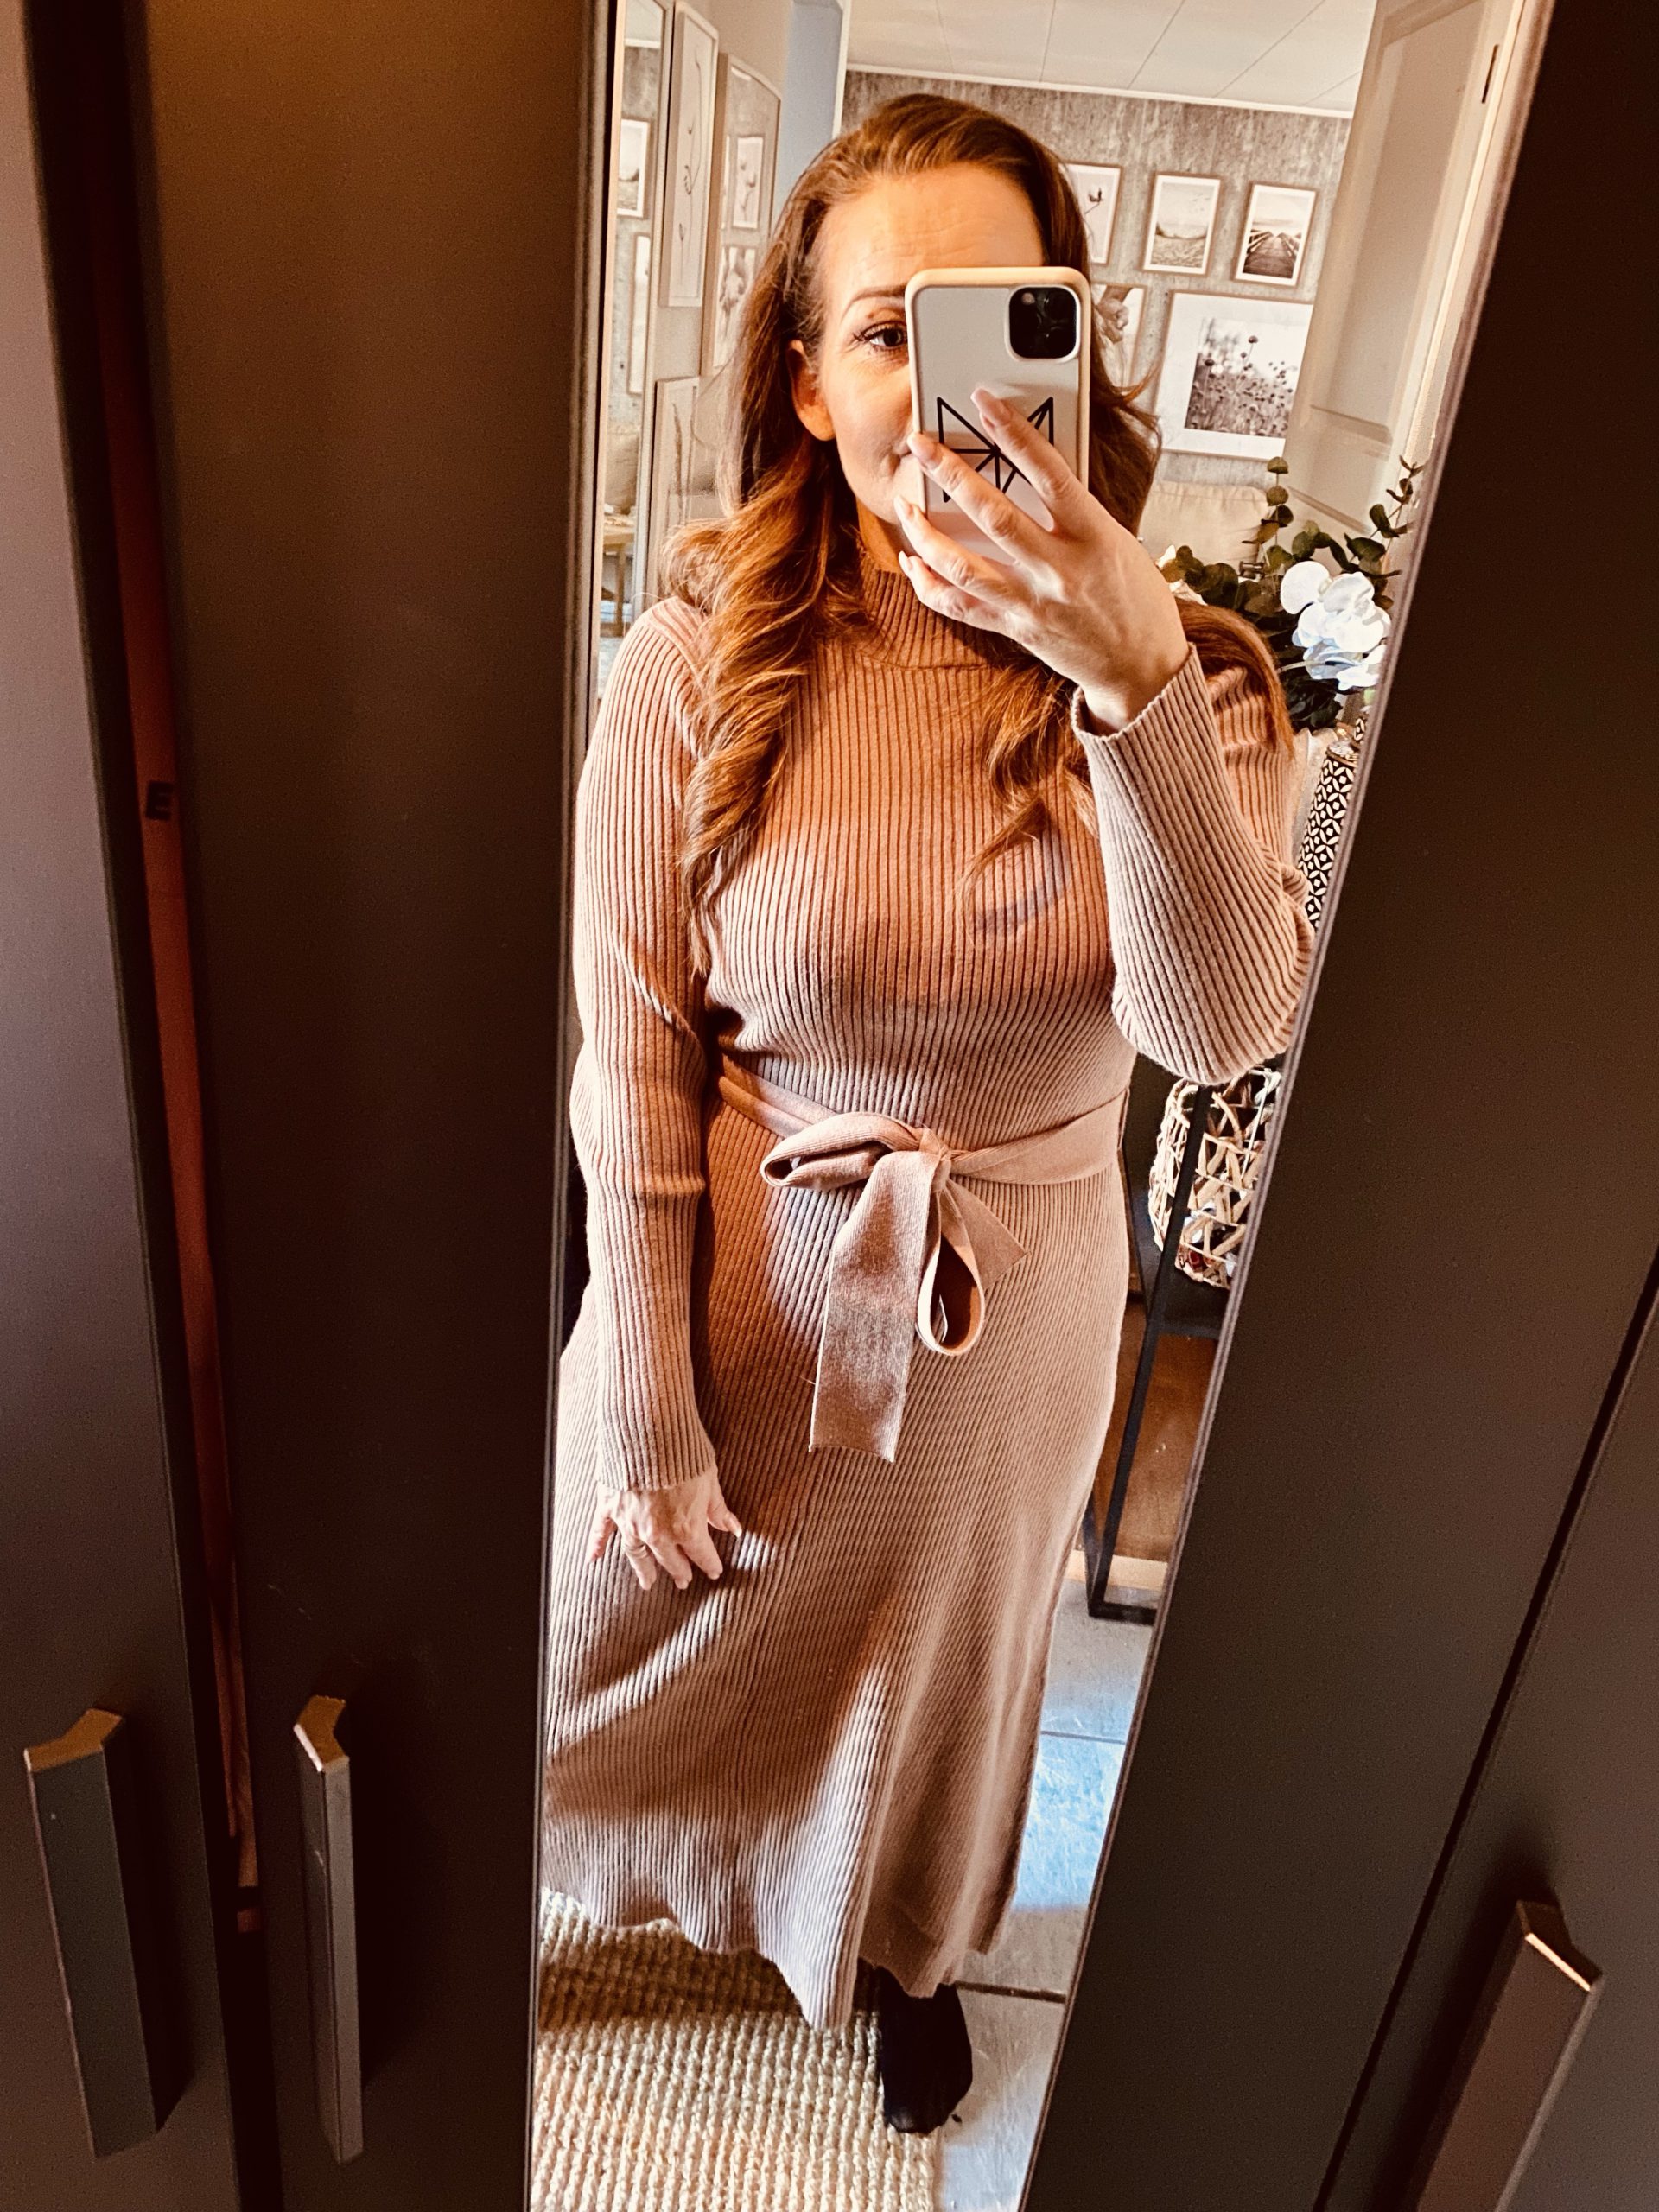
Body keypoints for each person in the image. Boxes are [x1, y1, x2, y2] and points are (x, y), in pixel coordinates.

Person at [541, 92, 1313, 2134]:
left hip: (1005, 1330)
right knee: (598, 1640)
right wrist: (644, 1391)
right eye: (892, 330)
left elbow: (1221, 1023)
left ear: (1075, 345)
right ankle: (544, 1880)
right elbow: (633, 1051)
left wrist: (1130, 680)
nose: (944, 384)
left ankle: (905, 1944)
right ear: (809, 383)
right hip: (733, 1293)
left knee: (940, 1692)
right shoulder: (692, 659)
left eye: (1005, 319)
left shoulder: (1204, 680)